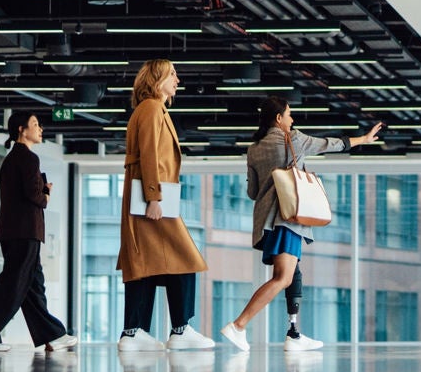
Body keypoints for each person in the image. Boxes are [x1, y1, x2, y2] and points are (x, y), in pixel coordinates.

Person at [220, 95, 382, 352]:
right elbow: (329, 144)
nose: (292, 119)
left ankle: (293, 333)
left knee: (292, 273)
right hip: (288, 218)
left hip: (268, 222)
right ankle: (239, 325)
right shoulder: (292, 138)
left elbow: (252, 192)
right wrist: (363, 139)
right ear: (278, 118)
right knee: (282, 278)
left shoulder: (254, 148)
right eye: (289, 114)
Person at [117, 59, 214, 352]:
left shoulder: (152, 108)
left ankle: (134, 333)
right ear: (157, 78)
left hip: (152, 197)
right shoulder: (150, 108)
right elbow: (148, 153)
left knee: (145, 263)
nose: (177, 80)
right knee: (185, 258)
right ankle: (180, 330)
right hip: (152, 199)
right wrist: (154, 197)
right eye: (172, 74)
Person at [0, 110, 76, 354]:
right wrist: (46, 193)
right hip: (24, 232)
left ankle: (53, 335)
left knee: (33, 286)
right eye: (35, 124)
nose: (40, 129)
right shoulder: (28, 158)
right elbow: (35, 196)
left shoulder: (13, 158)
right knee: (13, 284)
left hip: (15, 231)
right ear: (21, 129)